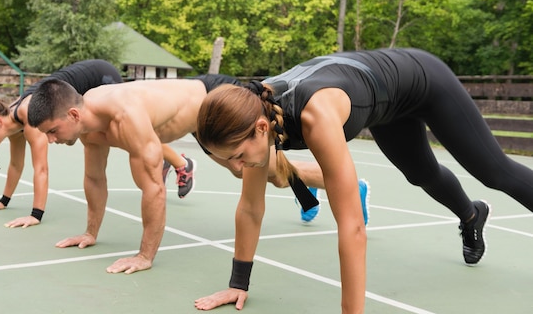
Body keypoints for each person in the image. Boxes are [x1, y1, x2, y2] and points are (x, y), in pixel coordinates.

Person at [193, 48, 533, 314]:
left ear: (262, 129)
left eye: (236, 156)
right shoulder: (255, 115)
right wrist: (239, 283)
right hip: (387, 101)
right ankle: (472, 215)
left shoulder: (315, 117)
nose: (236, 167)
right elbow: (251, 209)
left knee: (495, 172)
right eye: (226, 159)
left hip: (424, 80)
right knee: (421, 174)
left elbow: (353, 227)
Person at [25, 75, 370, 275]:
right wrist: (90, 232)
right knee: (270, 176)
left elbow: (154, 190)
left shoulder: (124, 116)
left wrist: (145, 256)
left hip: (210, 98)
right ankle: (349, 187)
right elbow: (95, 179)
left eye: (52, 131)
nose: (50, 140)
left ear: (72, 114)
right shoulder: (87, 127)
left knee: (270, 174)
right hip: (190, 120)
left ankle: (347, 187)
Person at [0, 59, 195, 228]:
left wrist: (36, 214)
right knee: (128, 138)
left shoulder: (27, 114)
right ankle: (179, 162)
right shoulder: (13, 122)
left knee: (132, 135)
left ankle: (182, 164)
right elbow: (16, 166)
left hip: (99, 75)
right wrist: (3, 201)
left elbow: (41, 169)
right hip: (80, 83)